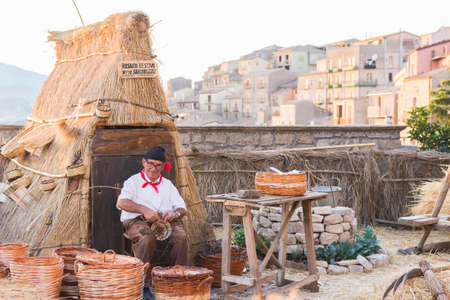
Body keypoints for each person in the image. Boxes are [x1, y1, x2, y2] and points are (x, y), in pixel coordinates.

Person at [116, 146, 188, 299]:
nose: (153, 168)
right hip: (135, 221)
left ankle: (176, 279)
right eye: (150, 163)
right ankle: (143, 285)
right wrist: (143, 209)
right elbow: (121, 202)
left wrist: (175, 213)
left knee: (181, 236)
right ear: (143, 162)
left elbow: (183, 208)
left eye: (157, 165)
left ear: (163, 166)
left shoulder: (167, 184)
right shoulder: (133, 181)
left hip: (162, 222)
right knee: (147, 237)